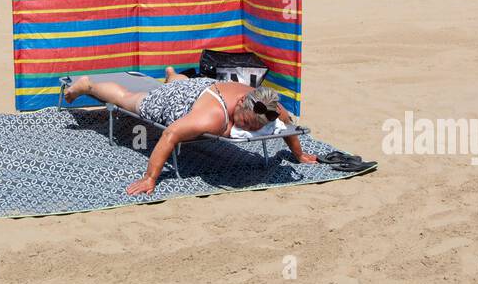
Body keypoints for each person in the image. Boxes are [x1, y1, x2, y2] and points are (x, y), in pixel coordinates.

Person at [62, 68, 317, 195]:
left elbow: (286, 126)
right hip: (175, 101)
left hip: (203, 87)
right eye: (247, 122)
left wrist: (299, 154)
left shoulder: (268, 106)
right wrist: (151, 178)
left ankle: (173, 75)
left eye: (256, 126)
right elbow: (170, 135)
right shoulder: (210, 118)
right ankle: (88, 85)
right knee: (130, 99)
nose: (250, 128)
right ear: (241, 103)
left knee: (187, 86)